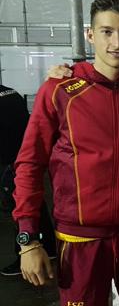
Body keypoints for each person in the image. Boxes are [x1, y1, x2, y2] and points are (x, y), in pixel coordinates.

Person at [12, 0, 119, 306]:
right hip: (81, 239)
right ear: (90, 35)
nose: (117, 42)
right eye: (107, 32)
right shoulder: (59, 90)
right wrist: (28, 239)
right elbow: (29, 164)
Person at [0, 84, 56, 277]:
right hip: (23, 157)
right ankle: (48, 246)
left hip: (11, 162)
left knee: (20, 207)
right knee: (36, 204)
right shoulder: (11, 92)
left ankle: (25, 252)